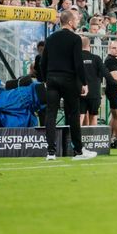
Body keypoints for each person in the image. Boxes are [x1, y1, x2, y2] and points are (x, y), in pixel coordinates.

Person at [40, 11, 96, 161]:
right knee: (73, 114)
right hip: (69, 80)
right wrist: (84, 83)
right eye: (76, 20)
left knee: (51, 114)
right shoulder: (75, 38)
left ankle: (51, 152)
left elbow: (43, 62)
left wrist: (45, 79)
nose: (77, 22)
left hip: (52, 79)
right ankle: (78, 151)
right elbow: (78, 63)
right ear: (70, 22)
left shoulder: (50, 38)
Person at [80, 37, 117, 126]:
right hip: (94, 93)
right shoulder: (96, 58)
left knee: (80, 116)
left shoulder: (75, 58)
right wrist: (116, 85)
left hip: (80, 92)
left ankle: (77, 135)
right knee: (93, 116)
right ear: (90, 46)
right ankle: (92, 135)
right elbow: (106, 73)